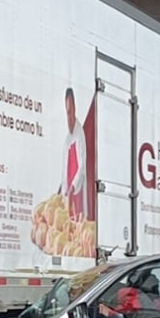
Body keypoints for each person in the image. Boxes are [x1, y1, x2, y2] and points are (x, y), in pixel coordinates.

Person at [58, 88, 89, 222]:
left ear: (75, 110)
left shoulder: (80, 134)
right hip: (68, 198)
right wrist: (61, 192)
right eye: (67, 113)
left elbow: (82, 167)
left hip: (77, 195)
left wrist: (72, 187)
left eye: (71, 113)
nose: (69, 119)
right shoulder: (67, 141)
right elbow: (64, 172)